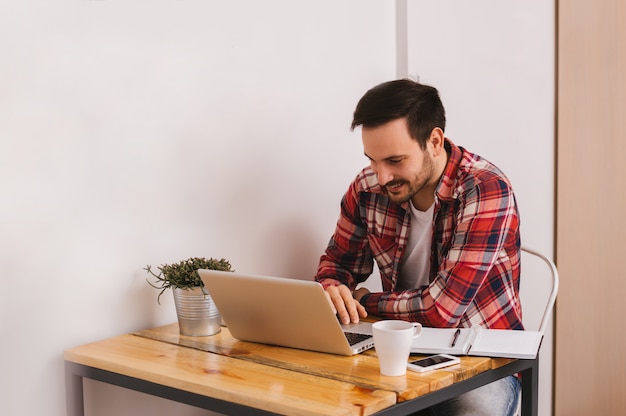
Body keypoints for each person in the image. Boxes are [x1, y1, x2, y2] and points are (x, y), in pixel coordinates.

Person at [314, 79, 522, 416]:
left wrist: (364, 300)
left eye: (395, 160)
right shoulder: (367, 188)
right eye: (372, 160)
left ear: (435, 141)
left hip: (483, 360)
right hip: (394, 347)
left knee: (476, 407)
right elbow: (336, 263)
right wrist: (332, 288)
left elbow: (442, 309)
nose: (381, 176)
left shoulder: (485, 188)